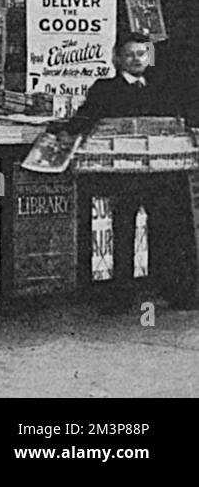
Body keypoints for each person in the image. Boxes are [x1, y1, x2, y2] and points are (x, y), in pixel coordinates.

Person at [70, 32, 196, 312]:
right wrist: (65, 131)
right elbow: (86, 117)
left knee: (167, 231)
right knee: (123, 231)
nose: (136, 59)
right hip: (124, 176)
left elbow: (177, 120)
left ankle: (176, 291)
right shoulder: (104, 88)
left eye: (141, 54)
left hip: (161, 175)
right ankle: (121, 296)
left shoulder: (160, 86)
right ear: (117, 59)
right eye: (130, 54)